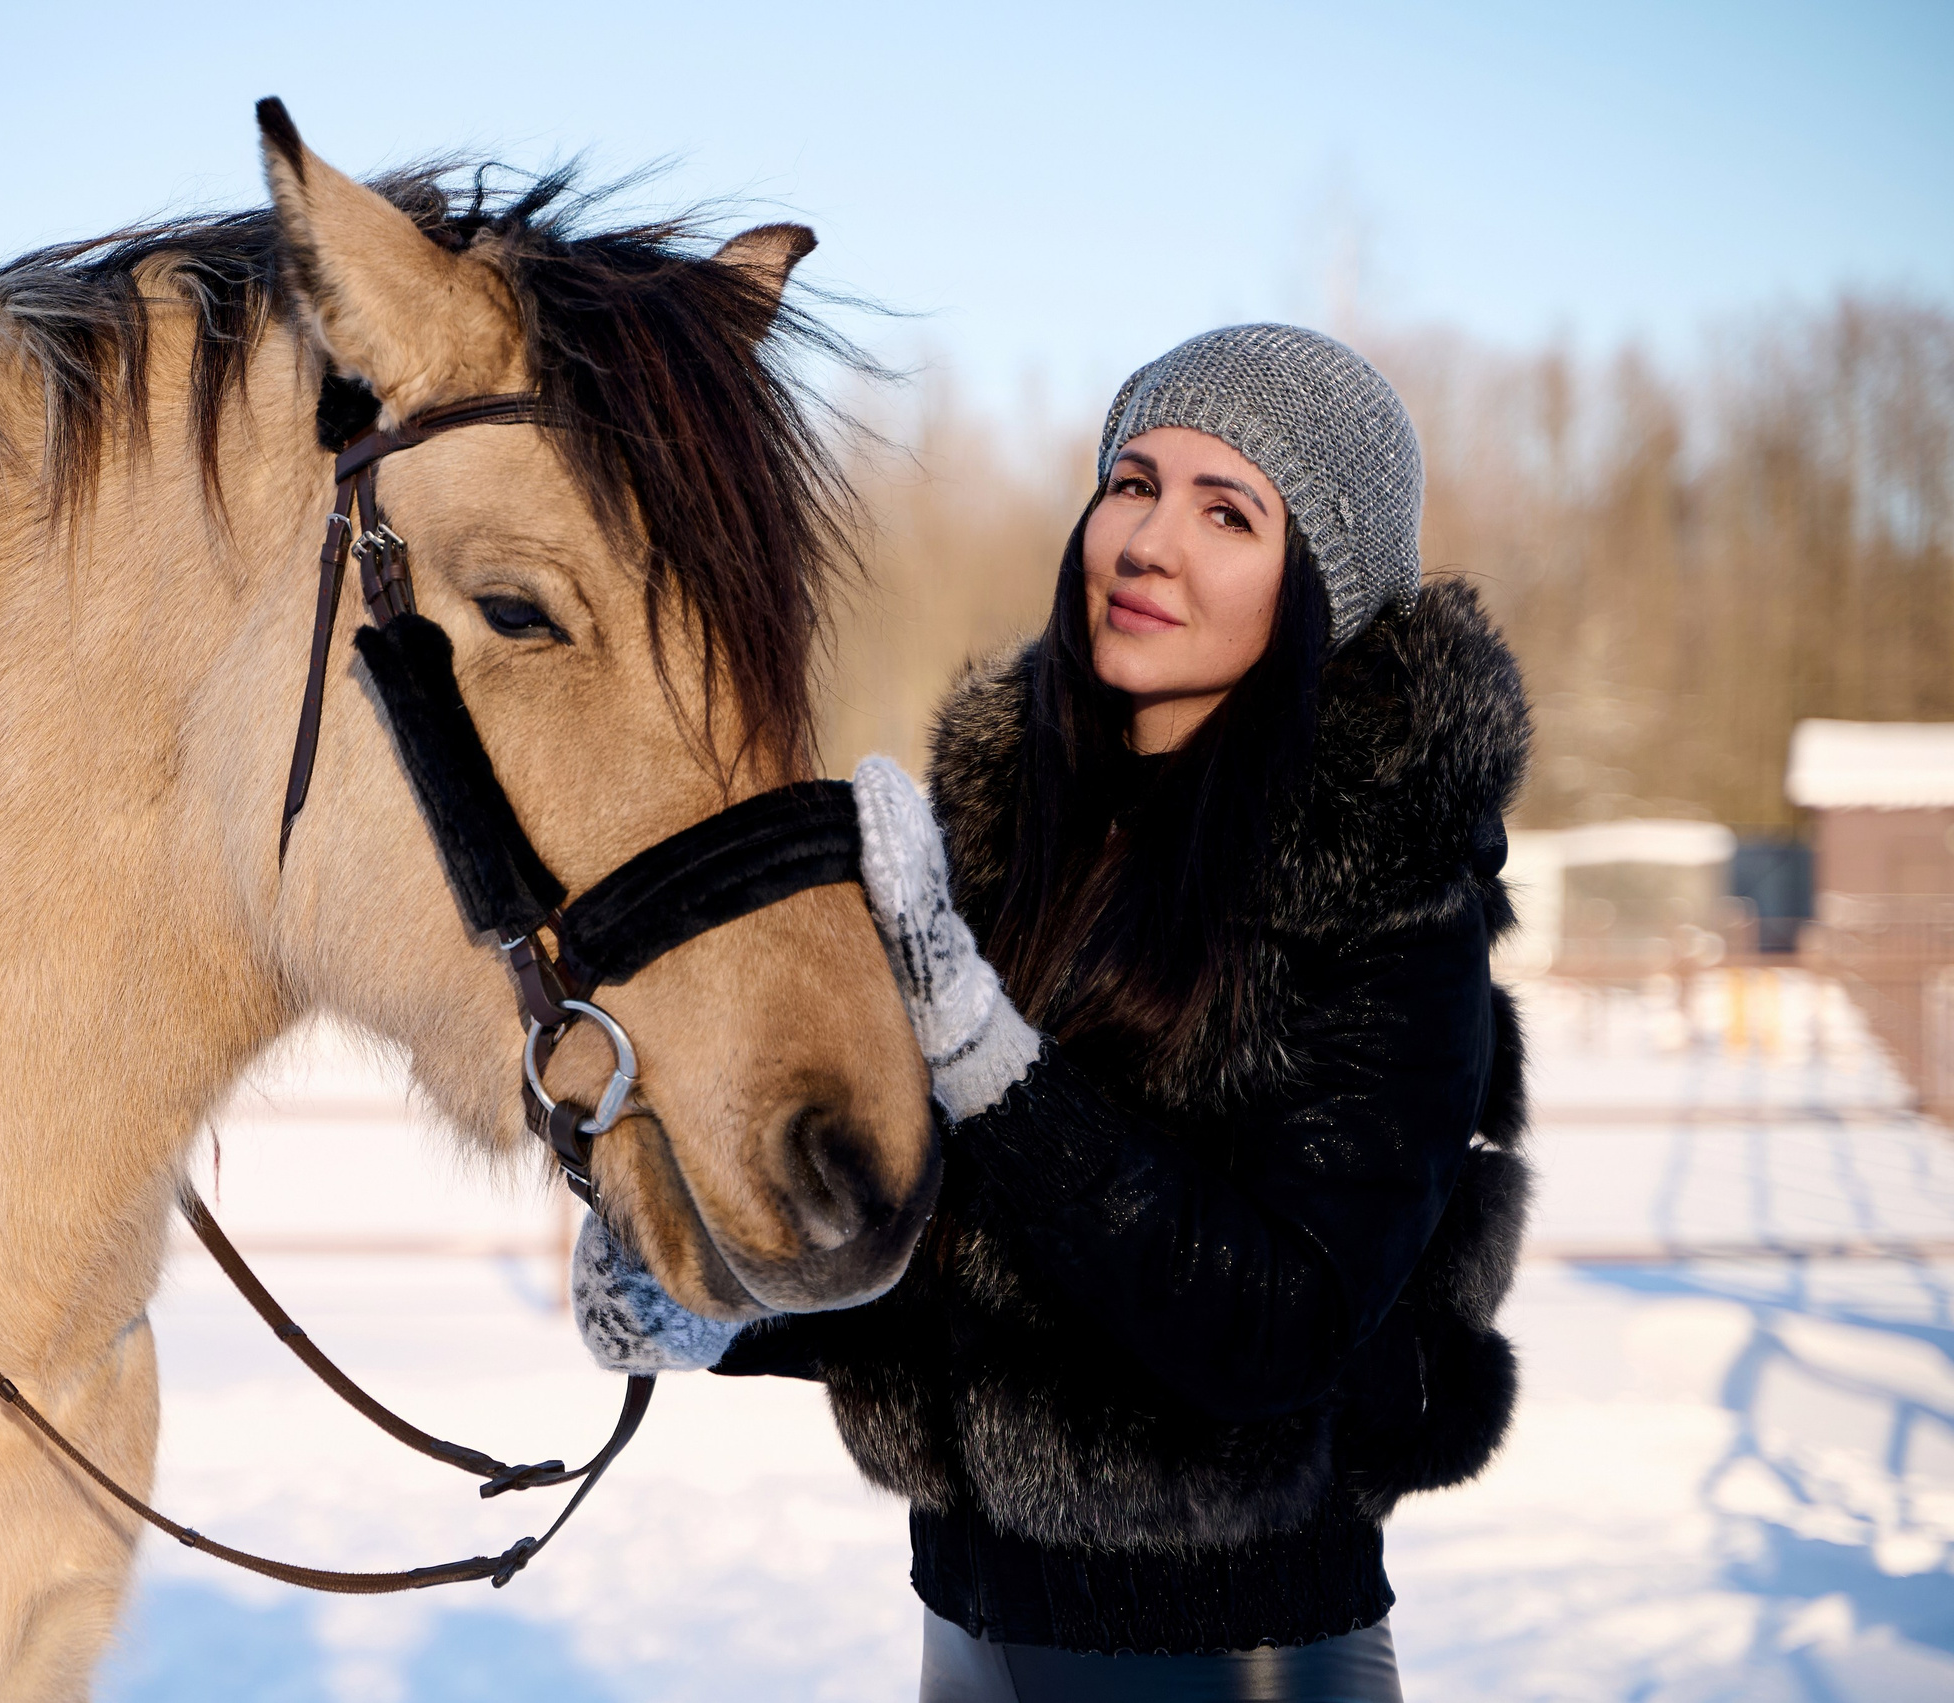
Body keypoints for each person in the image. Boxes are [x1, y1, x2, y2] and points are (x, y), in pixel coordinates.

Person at [572, 324, 1532, 1701]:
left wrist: (979, 1043)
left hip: (1231, 1658)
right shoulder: (1009, 841)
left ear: (1321, 580)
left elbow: (1273, 1330)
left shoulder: (1388, 885)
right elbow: (973, 1270)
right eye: (1131, 483)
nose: (1149, 541)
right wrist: (718, 1298)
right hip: (969, 1634)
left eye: (1227, 512)